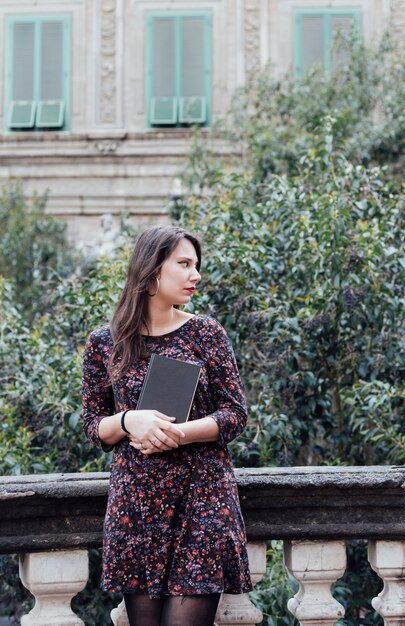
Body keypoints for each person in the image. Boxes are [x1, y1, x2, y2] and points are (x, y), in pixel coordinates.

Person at [82, 225, 252, 626]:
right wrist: (129, 420)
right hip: (136, 505)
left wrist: (178, 433)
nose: (196, 275)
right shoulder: (106, 342)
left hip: (202, 500)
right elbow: (93, 425)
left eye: (197, 265)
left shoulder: (206, 333)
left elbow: (235, 414)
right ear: (152, 270)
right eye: (184, 264)